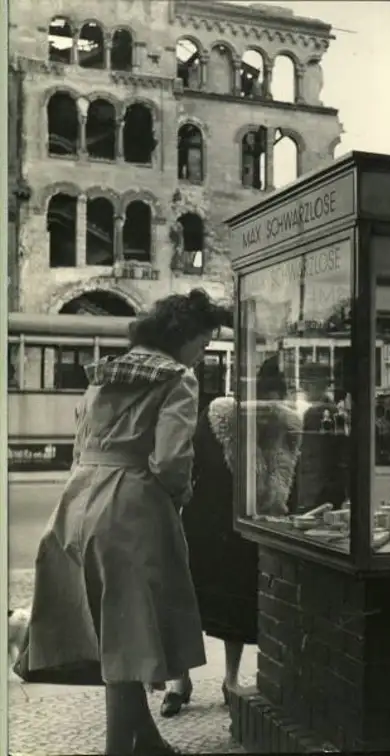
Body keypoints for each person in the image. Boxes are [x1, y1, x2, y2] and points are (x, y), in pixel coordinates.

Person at [14, 289, 227, 755]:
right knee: (130, 633)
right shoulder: (179, 380)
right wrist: (179, 494)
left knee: (116, 631)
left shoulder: (104, 374)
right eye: (205, 341)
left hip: (77, 502)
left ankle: (147, 740)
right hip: (131, 507)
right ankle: (118, 751)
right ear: (185, 336)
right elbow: (170, 459)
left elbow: (79, 445)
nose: (204, 350)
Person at [161, 357, 302, 717]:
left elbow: (288, 483)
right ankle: (181, 681)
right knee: (189, 602)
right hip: (206, 525)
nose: (269, 410)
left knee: (234, 606)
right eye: (264, 402)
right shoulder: (217, 421)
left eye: (276, 403)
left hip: (244, 532)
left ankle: (229, 680)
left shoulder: (287, 429)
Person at [288, 362, 348, 514]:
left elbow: (309, 457)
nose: (304, 389)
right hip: (331, 488)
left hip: (314, 492)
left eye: (306, 385)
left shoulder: (315, 413)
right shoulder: (334, 410)